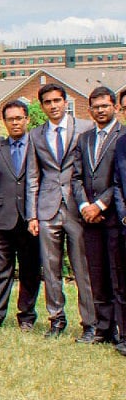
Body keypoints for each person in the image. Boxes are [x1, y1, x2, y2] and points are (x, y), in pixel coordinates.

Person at [28, 83, 95, 340]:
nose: (53, 106)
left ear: (65, 102)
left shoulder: (85, 128)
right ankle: (56, 319)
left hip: (77, 209)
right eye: (47, 102)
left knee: (82, 269)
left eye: (57, 100)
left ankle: (90, 322)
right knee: (50, 269)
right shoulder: (36, 135)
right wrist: (32, 215)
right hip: (47, 209)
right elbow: (34, 177)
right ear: (42, 106)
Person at [0, 101, 41, 332]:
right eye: (10, 119)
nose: (15, 122)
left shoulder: (37, 146)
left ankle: (26, 317)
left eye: (19, 118)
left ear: (27, 120)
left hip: (29, 219)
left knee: (30, 271)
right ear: (4, 122)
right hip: (0, 219)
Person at [71, 86, 123, 347]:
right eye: (95, 107)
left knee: (117, 276)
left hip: (113, 218)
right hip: (88, 220)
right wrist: (84, 206)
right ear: (89, 109)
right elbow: (77, 176)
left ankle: (121, 331)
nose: (100, 110)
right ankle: (102, 329)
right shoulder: (84, 138)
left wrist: (100, 205)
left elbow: (120, 180)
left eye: (104, 105)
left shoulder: (123, 135)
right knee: (97, 275)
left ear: (114, 106)